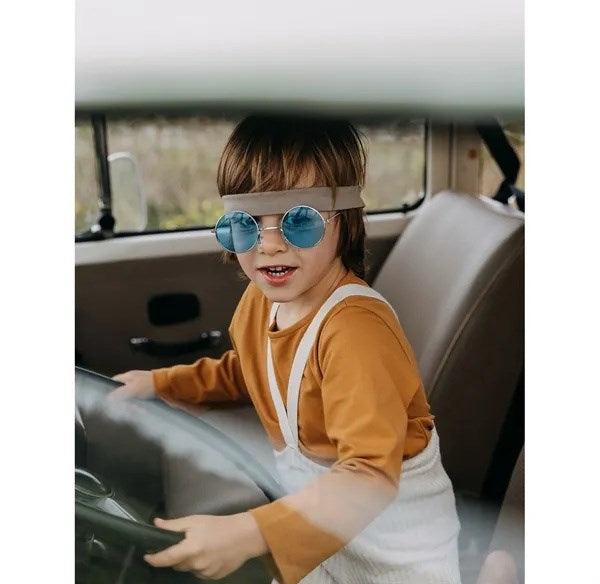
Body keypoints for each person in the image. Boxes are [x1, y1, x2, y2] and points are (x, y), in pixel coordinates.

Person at [110, 115, 461, 584]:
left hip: (397, 556)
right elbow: (250, 371)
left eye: (299, 221)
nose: (270, 245)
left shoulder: (355, 331)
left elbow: (369, 476)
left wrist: (249, 532)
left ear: (345, 222)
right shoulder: (261, 302)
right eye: (246, 224)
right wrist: (162, 383)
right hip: (321, 537)